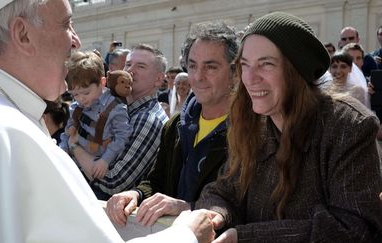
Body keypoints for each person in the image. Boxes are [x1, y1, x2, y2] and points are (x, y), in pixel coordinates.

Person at [0, 0, 216, 242]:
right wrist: (186, 235)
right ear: (23, 34)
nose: (76, 41)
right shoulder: (6, 135)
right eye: (66, 24)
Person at [196, 12, 382, 242]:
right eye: (245, 65)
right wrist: (215, 215)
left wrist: (245, 237)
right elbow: (222, 190)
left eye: (266, 64)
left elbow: (355, 228)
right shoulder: (254, 123)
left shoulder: (348, 126)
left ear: (297, 70)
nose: (250, 78)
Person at [106, 21, 238, 227]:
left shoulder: (252, 131)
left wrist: (187, 207)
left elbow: (246, 208)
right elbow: (157, 181)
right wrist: (135, 193)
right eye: (193, 65)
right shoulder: (175, 125)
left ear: (234, 72)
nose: (198, 76)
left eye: (210, 67)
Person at [72, 43, 169, 200]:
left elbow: (114, 183)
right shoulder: (117, 107)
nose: (130, 70)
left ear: (158, 80)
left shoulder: (148, 118)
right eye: (128, 64)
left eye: (141, 66)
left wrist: (74, 147)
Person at [60, 50, 132, 181]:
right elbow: (68, 133)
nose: (81, 99)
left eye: (86, 93)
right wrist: (63, 149)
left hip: (99, 168)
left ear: (102, 82)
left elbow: (122, 136)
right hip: (76, 168)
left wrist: (105, 160)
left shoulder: (115, 108)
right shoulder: (76, 107)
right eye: (75, 94)